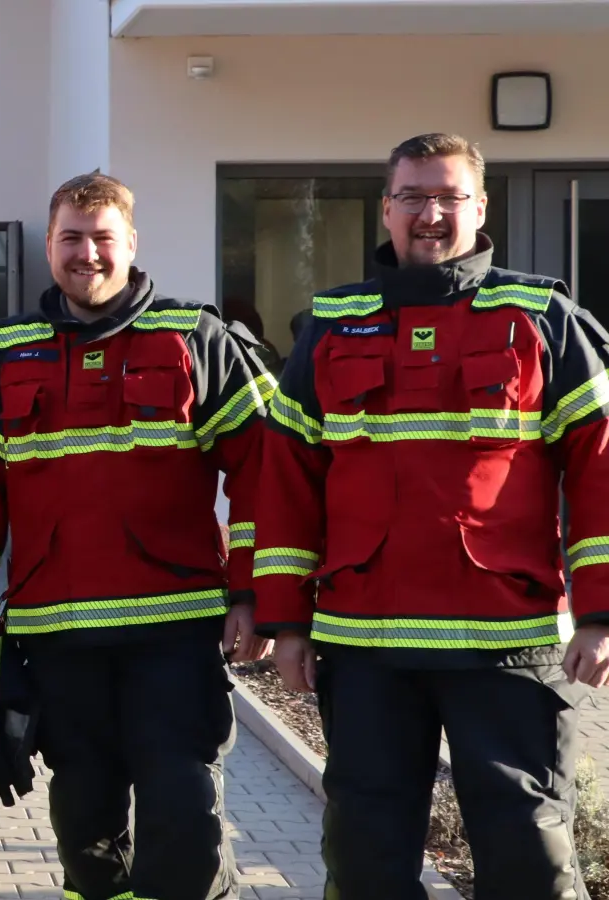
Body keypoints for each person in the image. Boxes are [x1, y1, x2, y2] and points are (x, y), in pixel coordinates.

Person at [254, 132, 609, 899]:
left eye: (449, 196)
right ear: (386, 209)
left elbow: (601, 470)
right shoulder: (330, 324)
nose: (431, 213)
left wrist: (601, 614)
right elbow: (285, 484)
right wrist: (286, 623)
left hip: (505, 649)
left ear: (481, 207)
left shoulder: (542, 317)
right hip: (366, 647)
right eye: (413, 196)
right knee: (366, 862)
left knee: (529, 861)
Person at [0, 172, 273, 900]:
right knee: (84, 829)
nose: (87, 254)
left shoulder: (194, 340)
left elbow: (265, 479)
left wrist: (252, 596)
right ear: (50, 246)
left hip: (175, 636)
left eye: (101, 239)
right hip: (59, 637)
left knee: (183, 819)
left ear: (131, 245)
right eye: (71, 239)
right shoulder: (11, 356)